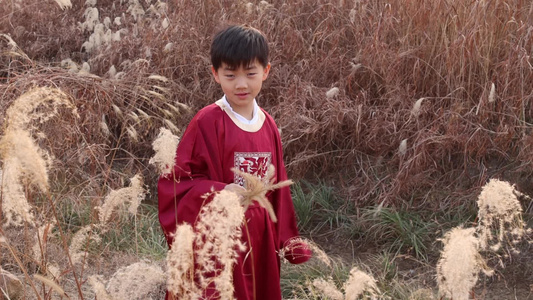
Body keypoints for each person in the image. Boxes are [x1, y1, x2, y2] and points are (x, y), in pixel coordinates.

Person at [158, 24, 311, 300]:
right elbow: (176, 183)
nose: (241, 84)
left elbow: (278, 189)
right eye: (230, 75)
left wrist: (287, 239)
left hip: (259, 238)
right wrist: (220, 191)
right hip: (218, 237)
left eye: (251, 73)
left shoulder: (269, 126)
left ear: (266, 71)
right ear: (215, 74)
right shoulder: (208, 121)